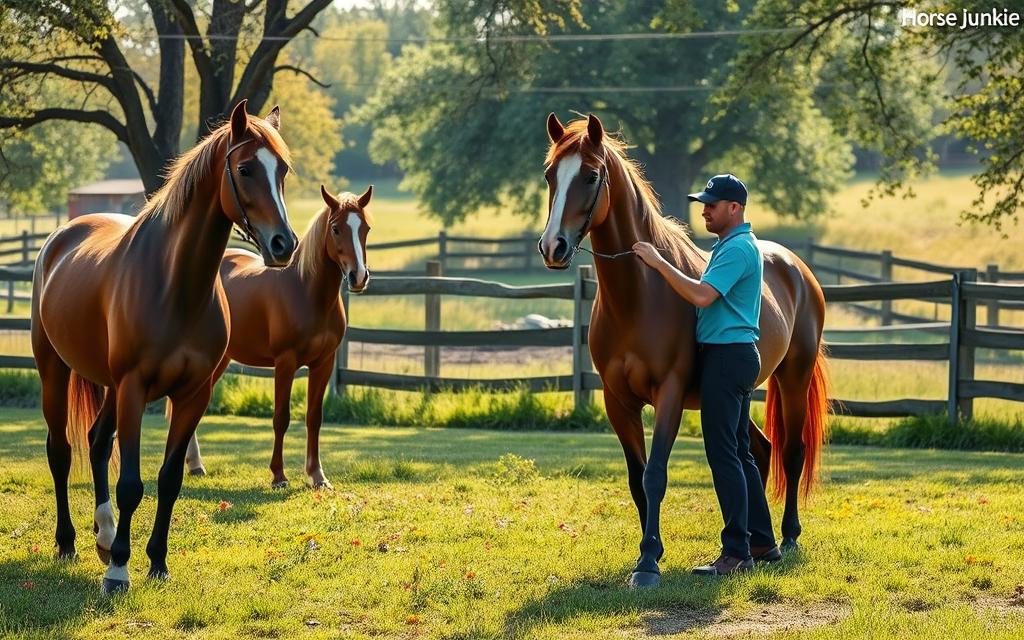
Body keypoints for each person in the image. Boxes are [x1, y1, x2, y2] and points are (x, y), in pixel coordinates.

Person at [632, 173, 781, 576]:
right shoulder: (728, 245)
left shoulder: (736, 250)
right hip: (734, 355)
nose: (704, 211)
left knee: (724, 455)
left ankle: (736, 554)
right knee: (741, 451)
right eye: (704, 204)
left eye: (712, 205)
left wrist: (658, 262)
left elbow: (702, 295)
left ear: (735, 208)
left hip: (727, 357)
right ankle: (763, 541)